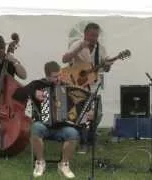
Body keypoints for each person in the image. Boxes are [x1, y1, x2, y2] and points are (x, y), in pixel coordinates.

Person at [13, 61, 78, 179]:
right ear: (47, 76)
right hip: (44, 126)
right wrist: (33, 92)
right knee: (36, 128)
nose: (58, 78)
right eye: (55, 76)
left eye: (59, 75)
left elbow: (74, 107)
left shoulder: (65, 87)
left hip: (61, 127)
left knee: (73, 133)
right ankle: (40, 163)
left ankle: (64, 164)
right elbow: (17, 94)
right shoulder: (38, 84)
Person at [62, 22, 111, 153]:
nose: (94, 38)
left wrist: (108, 65)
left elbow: (107, 68)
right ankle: (84, 143)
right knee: (82, 114)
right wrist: (79, 48)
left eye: (96, 36)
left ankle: (90, 139)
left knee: (97, 114)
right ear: (85, 34)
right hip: (78, 84)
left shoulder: (101, 49)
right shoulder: (77, 44)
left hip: (94, 85)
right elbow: (65, 59)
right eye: (91, 35)